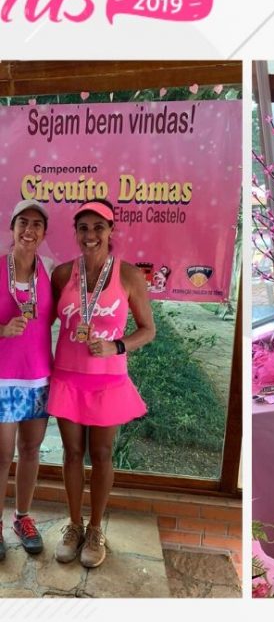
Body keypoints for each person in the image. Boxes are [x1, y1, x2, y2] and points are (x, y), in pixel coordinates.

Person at [48, 199, 155, 568]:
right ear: (75, 233)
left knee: (103, 454)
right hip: (67, 377)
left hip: (108, 380)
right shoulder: (63, 274)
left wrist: (116, 346)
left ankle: (95, 529)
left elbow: (148, 330)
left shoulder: (129, 276)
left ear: (111, 231)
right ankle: (74, 525)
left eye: (98, 227)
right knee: (71, 453)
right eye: (83, 228)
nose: (90, 235)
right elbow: (42, 321)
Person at [0, 200, 53, 560]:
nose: (29, 230)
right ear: (12, 227)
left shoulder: (50, 271)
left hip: (38, 377)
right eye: (23, 222)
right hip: (3, 379)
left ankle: (22, 518)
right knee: (2, 454)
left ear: (44, 233)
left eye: (36, 224)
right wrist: (3, 330)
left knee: (31, 450)